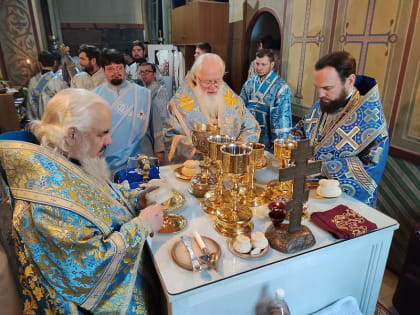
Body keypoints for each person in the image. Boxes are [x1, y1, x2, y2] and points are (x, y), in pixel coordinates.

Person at [0, 88, 164, 314]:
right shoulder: (46, 202)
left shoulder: (67, 158)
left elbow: (103, 199)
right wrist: (141, 226)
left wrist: (137, 198)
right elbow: (87, 272)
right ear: (72, 135)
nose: (110, 139)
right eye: (102, 133)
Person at [291, 51, 389, 207]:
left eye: (328, 87)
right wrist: (292, 147)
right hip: (307, 189)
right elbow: (302, 128)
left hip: (344, 201)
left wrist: (321, 167)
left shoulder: (371, 119)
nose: (321, 94)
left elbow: (370, 169)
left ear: (350, 80)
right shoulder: (323, 102)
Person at [165, 53, 260, 162]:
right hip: (196, 168)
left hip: (230, 166)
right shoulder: (178, 104)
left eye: (217, 81)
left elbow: (252, 126)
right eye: (207, 82)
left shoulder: (232, 100)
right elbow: (170, 137)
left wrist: (239, 146)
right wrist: (202, 150)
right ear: (196, 78)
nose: (213, 87)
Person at [94, 49, 165, 172]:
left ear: (125, 69)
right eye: (110, 69)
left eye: (119, 68)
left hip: (140, 155)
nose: (116, 72)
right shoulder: (94, 97)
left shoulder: (142, 94)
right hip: (107, 159)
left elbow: (156, 124)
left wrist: (159, 150)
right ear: (103, 71)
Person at [240, 49, 292, 150]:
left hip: (267, 135)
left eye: (263, 64)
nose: (259, 68)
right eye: (257, 64)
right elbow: (240, 106)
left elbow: (282, 116)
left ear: (272, 64)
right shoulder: (249, 83)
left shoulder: (281, 87)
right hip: (249, 132)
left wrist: (279, 141)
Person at [26, 50, 68, 120]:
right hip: (58, 123)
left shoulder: (32, 81)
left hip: (40, 124)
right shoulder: (60, 81)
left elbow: (30, 105)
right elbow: (66, 104)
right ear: (54, 63)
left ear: (40, 64)